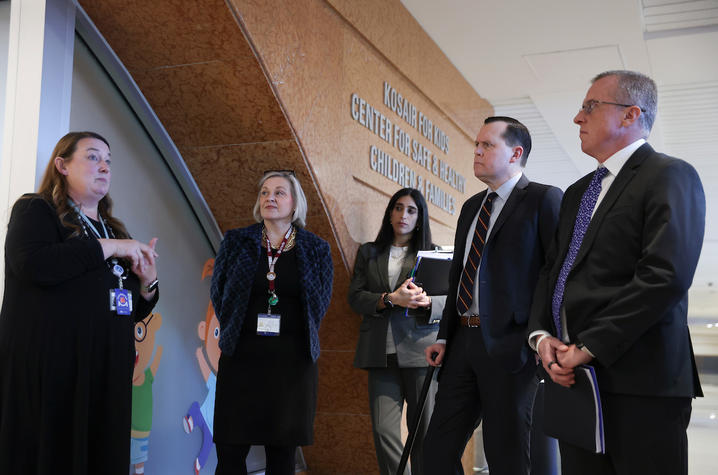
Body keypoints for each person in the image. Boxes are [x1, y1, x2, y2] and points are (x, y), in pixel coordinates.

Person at [528, 70, 705, 475]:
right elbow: (553, 272)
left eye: (590, 106)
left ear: (630, 115)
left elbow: (665, 276)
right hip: (573, 383)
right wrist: (542, 338)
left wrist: (587, 346)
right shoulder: (577, 193)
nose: (577, 117)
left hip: (641, 384)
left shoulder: (669, 175)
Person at [0, 131, 160, 474]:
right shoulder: (35, 210)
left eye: (108, 161)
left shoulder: (113, 229)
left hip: (106, 374)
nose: (104, 166)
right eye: (92, 157)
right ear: (62, 164)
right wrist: (109, 248)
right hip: (53, 373)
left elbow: (123, 308)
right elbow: (34, 265)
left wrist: (148, 283)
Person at [422, 117, 562, 474]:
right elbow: (459, 277)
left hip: (513, 347)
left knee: (508, 455)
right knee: (436, 450)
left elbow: (556, 276)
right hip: (462, 345)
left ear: (515, 153)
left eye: (487, 145)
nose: (477, 152)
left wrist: (543, 337)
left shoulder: (543, 199)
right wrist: (444, 334)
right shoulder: (471, 207)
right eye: (476, 145)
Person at [210, 170, 333, 475]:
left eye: (279, 192)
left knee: (281, 456)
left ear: (294, 203)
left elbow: (320, 302)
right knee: (229, 451)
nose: (270, 198)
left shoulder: (317, 249)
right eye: (265, 192)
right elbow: (219, 291)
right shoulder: (237, 241)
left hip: (291, 364)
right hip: (242, 358)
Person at [348, 187, 447, 475]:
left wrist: (428, 301)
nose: (404, 215)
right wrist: (389, 298)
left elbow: (451, 301)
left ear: (420, 217)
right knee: (383, 432)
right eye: (398, 208)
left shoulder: (435, 254)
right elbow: (355, 297)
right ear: (390, 212)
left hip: (420, 352)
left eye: (412, 210)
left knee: (423, 434)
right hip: (379, 353)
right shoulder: (369, 252)